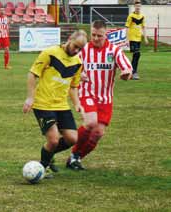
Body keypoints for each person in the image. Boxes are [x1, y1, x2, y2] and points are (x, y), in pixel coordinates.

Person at [66, 20, 133, 170]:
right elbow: (69, 63)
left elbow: (127, 68)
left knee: (98, 133)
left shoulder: (114, 51)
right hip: (86, 92)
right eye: (93, 35)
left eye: (99, 36)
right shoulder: (83, 50)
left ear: (106, 34)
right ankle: (67, 145)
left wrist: (125, 74)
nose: (96, 38)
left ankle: (75, 157)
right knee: (90, 122)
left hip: (105, 98)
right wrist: (77, 72)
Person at [23, 31, 87, 175]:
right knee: (53, 140)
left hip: (61, 105)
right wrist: (30, 97)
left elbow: (73, 86)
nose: (76, 51)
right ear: (69, 39)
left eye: (80, 49)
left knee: (72, 138)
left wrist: (77, 103)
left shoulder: (78, 63)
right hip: (43, 103)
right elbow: (32, 73)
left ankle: (49, 155)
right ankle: (42, 167)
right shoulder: (50, 53)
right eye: (75, 46)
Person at [125, 1, 148, 80]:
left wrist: (145, 38)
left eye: (139, 6)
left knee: (136, 55)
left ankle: (131, 72)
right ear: (134, 6)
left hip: (138, 39)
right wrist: (127, 39)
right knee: (137, 54)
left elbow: (143, 27)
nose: (138, 7)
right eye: (136, 6)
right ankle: (134, 72)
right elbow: (127, 27)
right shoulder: (131, 16)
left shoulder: (142, 16)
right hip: (132, 38)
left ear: (140, 6)